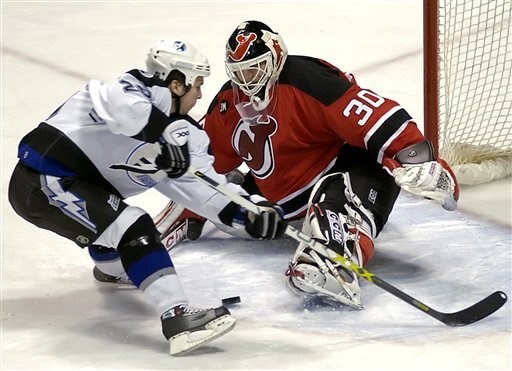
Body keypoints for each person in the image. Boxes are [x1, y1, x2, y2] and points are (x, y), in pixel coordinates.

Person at [8, 37, 287, 356]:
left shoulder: (186, 137)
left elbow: (204, 188)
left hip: (82, 189)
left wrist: (250, 212)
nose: (200, 94)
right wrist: (162, 135)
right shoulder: (130, 88)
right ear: (176, 83)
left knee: (128, 236)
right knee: (135, 226)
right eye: (196, 85)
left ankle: (110, 266)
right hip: (41, 181)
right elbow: (123, 109)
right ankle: (178, 321)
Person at [158, 21, 459, 309]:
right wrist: (190, 203)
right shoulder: (227, 103)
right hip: (280, 200)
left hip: (339, 172)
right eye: (241, 72)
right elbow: (209, 161)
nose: (249, 80)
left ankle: (337, 261)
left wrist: (421, 159)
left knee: (355, 179)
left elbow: (376, 117)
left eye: (256, 68)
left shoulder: (309, 81)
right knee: (216, 190)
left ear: (276, 55)